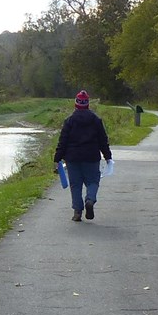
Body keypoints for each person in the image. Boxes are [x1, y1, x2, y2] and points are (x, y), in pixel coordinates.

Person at [53, 90, 112, 221]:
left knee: (75, 185)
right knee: (92, 181)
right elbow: (103, 140)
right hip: (91, 157)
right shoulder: (96, 120)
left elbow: (63, 141)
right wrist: (107, 156)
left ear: (76, 104)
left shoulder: (69, 121)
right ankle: (90, 200)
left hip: (72, 158)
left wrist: (57, 158)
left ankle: (77, 212)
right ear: (87, 105)